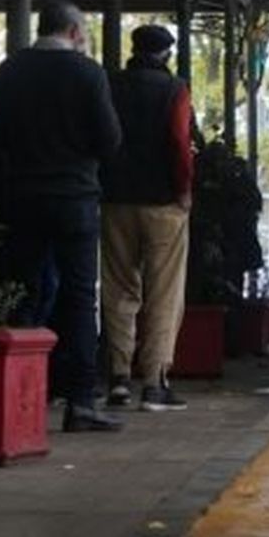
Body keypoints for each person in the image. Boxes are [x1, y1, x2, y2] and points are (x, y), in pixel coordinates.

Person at [0, 1, 123, 432]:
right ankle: (79, 401)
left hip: (22, 196)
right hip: (74, 198)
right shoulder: (88, 73)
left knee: (18, 292)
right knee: (79, 297)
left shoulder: (10, 70)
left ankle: (14, 396)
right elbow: (110, 140)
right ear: (75, 31)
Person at [101, 25, 195, 412]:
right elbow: (179, 141)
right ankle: (154, 382)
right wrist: (185, 188)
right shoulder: (175, 89)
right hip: (163, 203)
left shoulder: (111, 85)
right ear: (167, 54)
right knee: (164, 292)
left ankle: (119, 377)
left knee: (119, 288)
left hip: (116, 200)